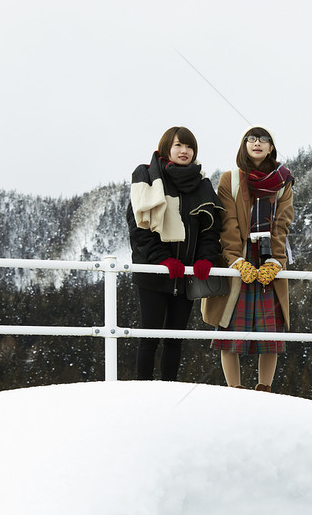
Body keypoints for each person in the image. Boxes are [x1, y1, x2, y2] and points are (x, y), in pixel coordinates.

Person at [126, 126, 224, 381]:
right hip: (154, 273)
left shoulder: (202, 184)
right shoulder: (147, 178)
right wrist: (162, 260)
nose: (184, 151)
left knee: (175, 338)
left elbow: (210, 229)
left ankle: (169, 389)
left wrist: (206, 258)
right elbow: (139, 228)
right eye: (179, 145)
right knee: (150, 337)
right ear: (167, 147)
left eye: (189, 146)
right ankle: (143, 389)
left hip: (187, 274)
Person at [202, 125, 295, 392]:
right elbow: (227, 224)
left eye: (263, 140)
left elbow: (282, 224)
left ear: (271, 147)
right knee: (230, 326)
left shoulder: (283, 181)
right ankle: (235, 389)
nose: (257, 143)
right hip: (239, 256)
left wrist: (275, 261)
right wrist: (234, 259)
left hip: (268, 256)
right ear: (244, 145)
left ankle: (264, 388)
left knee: (271, 330)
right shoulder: (230, 179)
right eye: (251, 139)